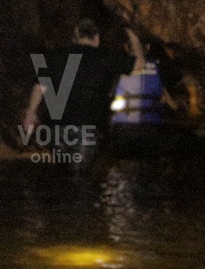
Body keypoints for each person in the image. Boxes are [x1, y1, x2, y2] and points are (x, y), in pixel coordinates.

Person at [20, 19, 143, 163]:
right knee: (81, 176)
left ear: (75, 37)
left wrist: (31, 112)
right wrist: (133, 35)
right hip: (88, 128)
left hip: (55, 130)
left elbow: (39, 86)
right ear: (97, 38)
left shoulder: (54, 56)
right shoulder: (106, 57)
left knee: (63, 173)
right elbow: (140, 63)